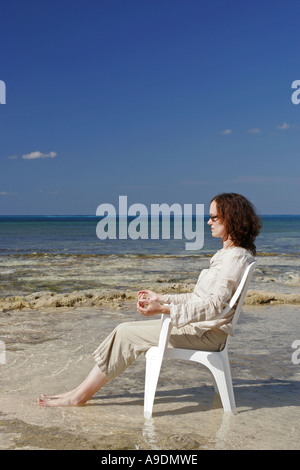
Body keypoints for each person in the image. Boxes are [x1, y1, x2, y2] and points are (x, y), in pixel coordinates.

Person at [38, 193, 261, 407]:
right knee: (123, 330)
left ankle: (78, 396)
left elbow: (212, 307)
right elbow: (199, 298)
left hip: (204, 336)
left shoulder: (234, 258)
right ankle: (78, 392)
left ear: (231, 219)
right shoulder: (231, 255)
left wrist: (162, 309)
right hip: (201, 331)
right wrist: (162, 298)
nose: (208, 221)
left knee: (125, 333)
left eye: (213, 217)